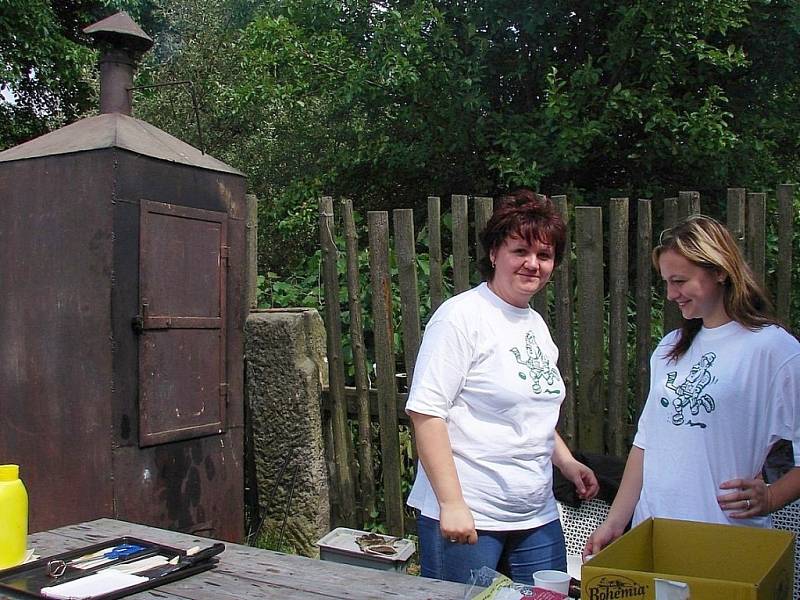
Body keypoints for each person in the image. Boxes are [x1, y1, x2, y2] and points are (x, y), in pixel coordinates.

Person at [406, 189, 599, 585]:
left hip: (536, 513)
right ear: (495, 253)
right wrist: (452, 503)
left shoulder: (535, 326)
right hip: (472, 515)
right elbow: (426, 413)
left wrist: (566, 462)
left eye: (544, 256)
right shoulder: (460, 318)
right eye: (520, 251)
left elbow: (529, 410)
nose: (533, 264)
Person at [584, 214, 800, 558]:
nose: (670, 294)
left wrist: (772, 497)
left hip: (725, 545)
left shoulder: (774, 350)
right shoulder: (670, 347)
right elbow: (645, 444)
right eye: (666, 282)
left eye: (680, 281)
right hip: (652, 538)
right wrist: (615, 521)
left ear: (719, 271)